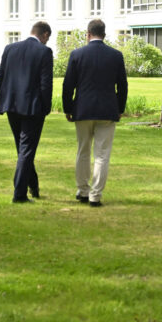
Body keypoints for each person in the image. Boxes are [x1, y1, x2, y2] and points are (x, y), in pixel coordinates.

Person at [62, 19, 128, 207]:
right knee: (102, 154)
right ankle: (95, 195)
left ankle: (83, 190)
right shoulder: (116, 55)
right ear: (104, 35)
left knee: (83, 150)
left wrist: (68, 108)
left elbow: (68, 85)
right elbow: (122, 85)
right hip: (107, 110)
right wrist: (120, 108)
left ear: (88, 34)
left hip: (83, 109)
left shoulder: (77, 54)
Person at [0, 21, 53, 203]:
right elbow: (46, 84)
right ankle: (19, 193)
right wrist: (45, 107)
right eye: (47, 38)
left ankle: (33, 186)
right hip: (32, 108)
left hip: (11, 105)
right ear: (45, 34)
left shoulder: (10, 49)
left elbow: (0, 78)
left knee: (23, 149)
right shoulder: (44, 52)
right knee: (26, 150)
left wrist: (5, 99)